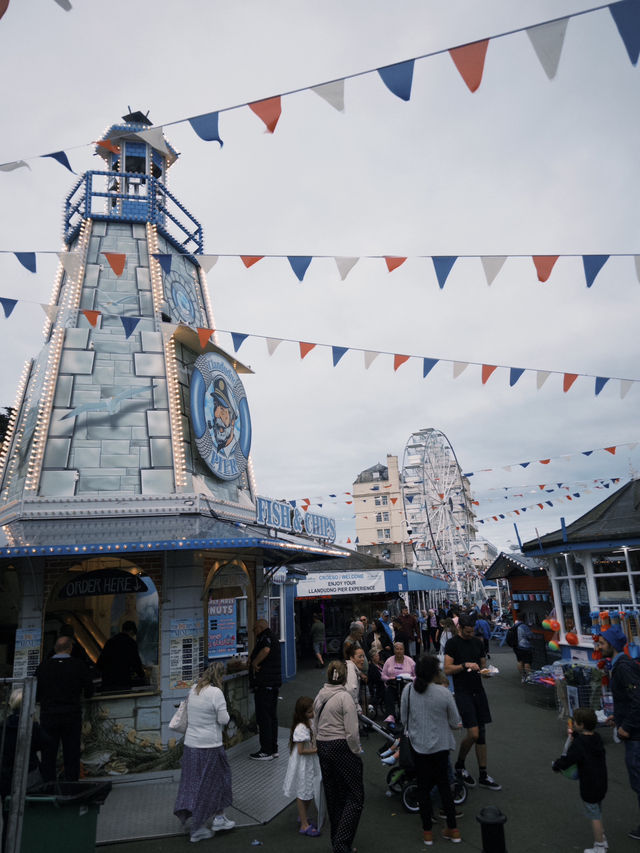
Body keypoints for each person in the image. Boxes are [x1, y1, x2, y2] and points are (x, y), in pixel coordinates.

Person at [401, 654, 463, 846]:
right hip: (441, 746)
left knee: (423, 787)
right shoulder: (443, 693)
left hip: (419, 746)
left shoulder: (408, 690)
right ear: (434, 672)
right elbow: (455, 722)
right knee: (444, 786)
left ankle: (427, 831)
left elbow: (404, 719)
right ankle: (453, 829)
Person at [174, 662, 235, 842]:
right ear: (219, 676)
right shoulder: (216, 693)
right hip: (210, 745)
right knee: (217, 781)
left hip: (191, 745)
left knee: (193, 783)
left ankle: (213, 816)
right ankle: (201, 826)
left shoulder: (193, 689)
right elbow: (223, 719)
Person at [444, 614, 501, 791]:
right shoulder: (452, 643)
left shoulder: (478, 643)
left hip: (478, 691)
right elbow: (447, 669)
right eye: (467, 632)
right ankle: (459, 765)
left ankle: (483, 774)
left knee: (481, 735)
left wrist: (487, 672)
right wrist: (464, 665)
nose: (470, 634)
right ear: (460, 628)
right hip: (462, 692)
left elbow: (483, 666)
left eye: (472, 631)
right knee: (474, 734)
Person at [314, 661, 364, 853]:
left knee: (333, 795)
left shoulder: (320, 695)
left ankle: (337, 839)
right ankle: (342, 843)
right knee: (355, 795)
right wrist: (356, 751)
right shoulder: (345, 697)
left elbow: (315, 723)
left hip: (323, 745)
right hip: (341, 746)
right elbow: (352, 732)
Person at [597, 624, 640, 841]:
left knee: (638, 778)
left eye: (603, 643)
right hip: (631, 729)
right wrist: (618, 717)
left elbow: (637, 699)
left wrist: (627, 726)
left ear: (612, 645)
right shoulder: (619, 665)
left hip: (636, 734)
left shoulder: (623, 667)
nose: (599, 646)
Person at [35, 635, 94, 781]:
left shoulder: (43, 667)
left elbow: (36, 694)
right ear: (70, 648)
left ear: (55, 649)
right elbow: (89, 691)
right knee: (71, 753)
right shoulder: (78, 666)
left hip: (49, 715)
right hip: (71, 715)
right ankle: (71, 786)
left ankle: (49, 785)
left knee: (48, 753)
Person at [552, 708, 608, 853]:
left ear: (581, 725)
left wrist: (557, 765)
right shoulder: (596, 738)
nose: (573, 724)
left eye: (575, 722)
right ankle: (602, 838)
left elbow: (569, 759)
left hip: (589, 784)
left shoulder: (579, 744)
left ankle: (599, 846)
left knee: (594, 815)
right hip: (601, 781)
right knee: (598, 811)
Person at [283, 696, 321, 837]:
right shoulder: (300, 728)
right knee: (302, 791)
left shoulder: (309, 722)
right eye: (309, 712)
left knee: (310, 788)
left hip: (310, 760)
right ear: (302, 713)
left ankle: (303, 815)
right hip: (303, 762)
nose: (313, 714)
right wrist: (317, 750)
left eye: (313, 710)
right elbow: (301, 750)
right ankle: (304, 824)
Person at [249, 618, 282, 760]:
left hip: (265, 684)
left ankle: (266, 750)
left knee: (264, 718)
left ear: (260, 627)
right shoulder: (271, 636)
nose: (253, 633)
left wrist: (255, 662)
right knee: (271, 717)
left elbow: (266, 649)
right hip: (272, 684)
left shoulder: (266, 637)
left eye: (254, 629)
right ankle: (273, 749)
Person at [97, 620, 146, 691]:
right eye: (133, 635)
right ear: (131, 631)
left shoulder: (110, 642)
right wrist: (142, 675)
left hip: (107, 683)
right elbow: (136, 663)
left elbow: (100, 663)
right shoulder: (131, 643)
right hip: (123, 683)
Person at [381, 642, 415, 722]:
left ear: (404, 650)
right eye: (397, 649)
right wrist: (388, 679)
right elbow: (383, 675)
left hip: (407, 686)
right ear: (394, 650)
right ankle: (390, 715)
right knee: (388, 691)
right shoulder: (389, 661)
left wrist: (412, 678)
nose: (399, 651)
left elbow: (417, 675)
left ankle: (409, 716)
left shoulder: (410, 661)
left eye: (401, 649)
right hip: (393, 686)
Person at [344, 643, 367, 711]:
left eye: (363, 656)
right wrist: (357, 707)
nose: (363, 659)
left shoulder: (349, 666)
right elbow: (351, 689)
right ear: (352, 658)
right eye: (360, 657)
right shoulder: (350, 668)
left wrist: (360, 673)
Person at [513, 612, 533, 682]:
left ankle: (522, 676)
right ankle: (529, 677)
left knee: (519, 661)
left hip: (516, 646)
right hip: (525, 646)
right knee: (527, 662)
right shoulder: (524, 626)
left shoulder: (514, 626)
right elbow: (530, 636)